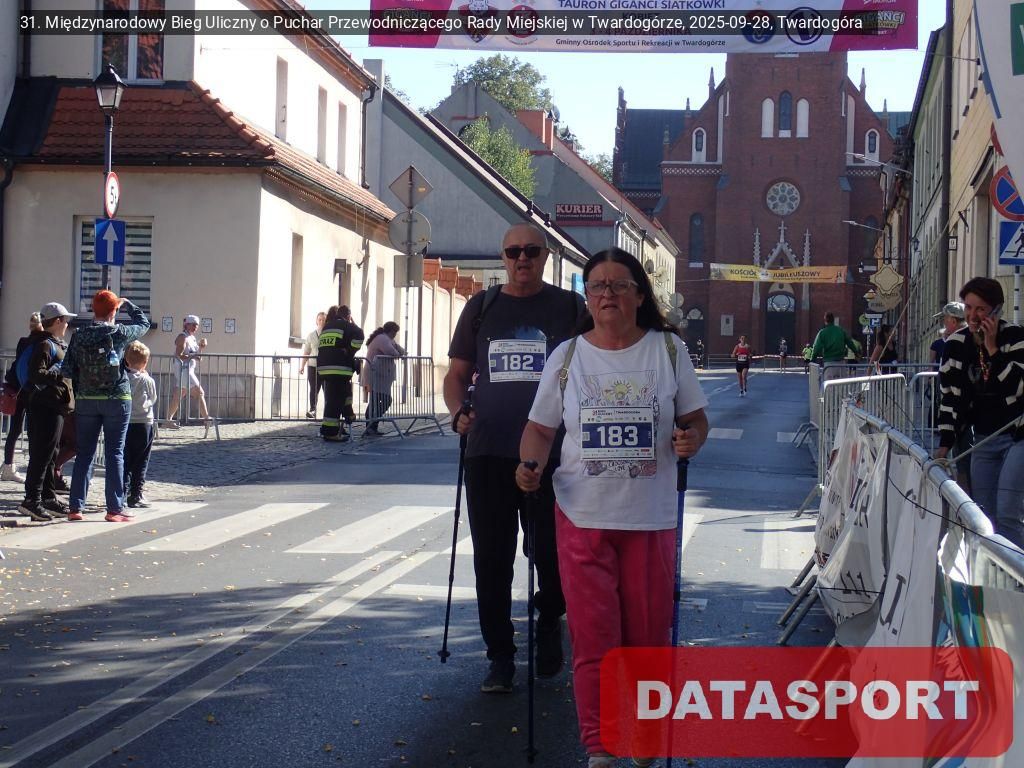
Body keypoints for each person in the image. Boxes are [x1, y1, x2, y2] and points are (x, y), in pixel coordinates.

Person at [516, 248, 709, 768]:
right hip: (582, 516)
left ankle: (645, 734)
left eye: (619, 285)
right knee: (594, 639)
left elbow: (695, 418)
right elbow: (539, 429)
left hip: (649, 518)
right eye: (597, 286)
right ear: (587, 297)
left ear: (639, 295)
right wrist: (529, 466)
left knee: (646, 638)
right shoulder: (567, 357)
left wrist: (691, 439)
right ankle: (600, 745)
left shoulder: (667, 350)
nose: (607, 294)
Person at [444, 222, 586, 693]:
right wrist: (458, 411)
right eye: (512, 252)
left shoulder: (570, 308)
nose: (521, 258)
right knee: (492, 559)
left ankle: (549, 620)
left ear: (545, 256)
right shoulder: (481, 308)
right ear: (503, 257)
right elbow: (457, 374)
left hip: (554, 455)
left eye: (530, 251)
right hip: (488, 451)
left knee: (552, 553)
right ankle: (500, 656)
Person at [936, 277, 1024, 547]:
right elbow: (950, 397)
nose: (973, 316)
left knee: (1007, 512)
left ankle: (1014, 569)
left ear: (996, 310)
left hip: (1017, 435)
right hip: (983, 437)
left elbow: (1018, 387)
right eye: (968, 308)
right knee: (982, 515)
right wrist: (944, 444)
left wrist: (992, 348)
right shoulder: (955, 344)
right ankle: (987, 568)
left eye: (981, 309)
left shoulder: (1015, 337)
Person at [61, 290, 149, 523]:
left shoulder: (79, 335)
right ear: (114, 311)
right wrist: (129, 305)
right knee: (114, 453)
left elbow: (67, 369)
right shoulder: (119, 332)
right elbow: (143, 324)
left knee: (85, 453)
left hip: (86, 400)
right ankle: (114, 509)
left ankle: (75, 507)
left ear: (94, 309)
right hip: (116, 399)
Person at [15, 303, 76, 522]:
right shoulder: (44, 344)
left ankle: (48, 498)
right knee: (41, 454)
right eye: (65, 320)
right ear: (58, 321)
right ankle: (31, 500)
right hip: (44, 406)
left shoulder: (55, 343)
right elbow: (36, 374)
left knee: (51, 454)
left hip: (55, 406)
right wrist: (61, 374)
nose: (67, 324)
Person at [2, 312, 43, 483]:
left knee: (15, 430)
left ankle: (7, 466)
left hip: (16, 388)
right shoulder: (43, 343)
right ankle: (33, 469)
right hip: (30, 391)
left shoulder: (23, 341)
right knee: (33, 431)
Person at [318, 305, 364, 442]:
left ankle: (347, 414)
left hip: (324, 368)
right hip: (339, 369)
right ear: (348, 316)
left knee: (336, 397)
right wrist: (350, 350)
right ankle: (331, 433)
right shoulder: (347, 326)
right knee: (335, 401)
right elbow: (360, 335)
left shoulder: (327, 326)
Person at [123, 341, 157, 510]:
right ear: (145, 362)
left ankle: (122, 492)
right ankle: (136, 493)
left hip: (126, 422)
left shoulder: (123, 378)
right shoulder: (146, 380)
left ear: (127, 360)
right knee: (141, 459)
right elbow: (153, 398)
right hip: (144, 422)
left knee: (126, 459)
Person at [165, 315, 210, 425]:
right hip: (183, 369)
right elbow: (178, 355)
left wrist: (201, 347)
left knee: (178, 396)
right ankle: (207, 419)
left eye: (197, 325)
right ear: (187, 325)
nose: (195, 327)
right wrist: (192, 356)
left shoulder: (192, 338)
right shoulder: (182, 337)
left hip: (189, 369)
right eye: (193, 324)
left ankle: (167, 421)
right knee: (199, 393)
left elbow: (198, 358)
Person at [363, 321, 405, 435]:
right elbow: (392, 352)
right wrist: (398, 352)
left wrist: (399, 350)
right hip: (375, 374)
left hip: (380, 375)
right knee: (381, 400)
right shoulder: (382, 338)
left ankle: (372, 426)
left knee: (377, 400)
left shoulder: (388, 339)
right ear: (391, 331)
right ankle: (370, 425)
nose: (395, 335)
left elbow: (401, 350)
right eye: (395, 332)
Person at [811, 312, 861, 382]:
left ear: (825, 320)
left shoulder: (822, 333)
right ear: (833, 320)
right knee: (841, 386)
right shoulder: (841, 330)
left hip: (829, 364)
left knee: (828, 386)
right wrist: (856, 353)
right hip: (841, 363)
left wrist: (812, 359)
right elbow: (850, 343)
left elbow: (816, 348)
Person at [299, 311, 327, 419]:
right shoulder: (311, 336)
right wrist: (302, 366)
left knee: (327, 390)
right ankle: (313, 409)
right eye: (320, 319)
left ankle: (328, 412)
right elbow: (306, 351)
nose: (322, 322)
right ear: (316, 321)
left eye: (324, 320)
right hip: (312, 366)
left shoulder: (328, 335)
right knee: (313, 389)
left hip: (325, 367)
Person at [930, 301, 966, 367]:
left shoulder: (958, 343)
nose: (944, 323)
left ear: (954, 322)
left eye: (944, 319)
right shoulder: (967, 339)